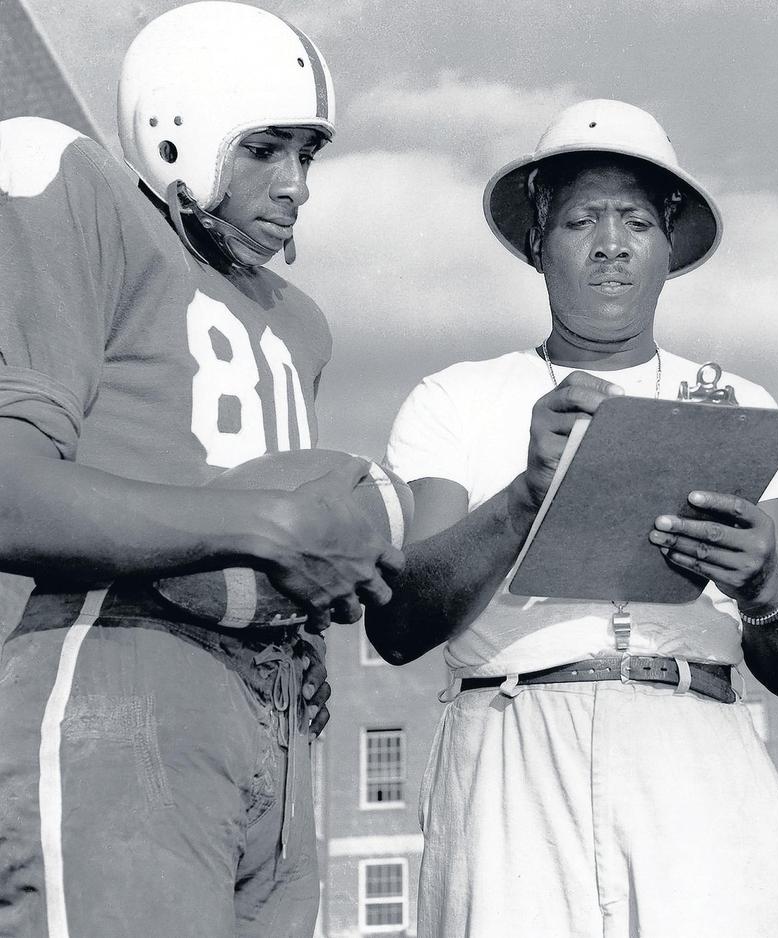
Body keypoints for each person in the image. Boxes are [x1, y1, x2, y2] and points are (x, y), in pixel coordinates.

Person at [367, 99, 778, 938]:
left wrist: (763, 584)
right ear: (539, 236)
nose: (611, 243)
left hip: (695, 749)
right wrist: (525, 496)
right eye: (581, 218)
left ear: (669, 241)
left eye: (637, 220)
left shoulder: (739, 407)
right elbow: (396, 625)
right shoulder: (455, 400)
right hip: (509, 741)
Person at [0, 4, 404, 936]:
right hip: (119, 671)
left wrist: (301, 625)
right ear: (176, 128)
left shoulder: (300, 321)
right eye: (265, 148)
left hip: (277, 725)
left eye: (309, 154)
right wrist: (264, 527)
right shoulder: (75, 189)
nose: (297, 184)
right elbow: (10, 492)